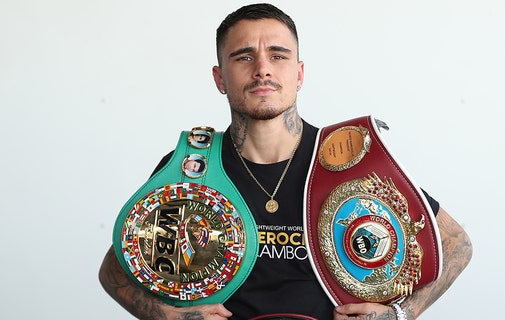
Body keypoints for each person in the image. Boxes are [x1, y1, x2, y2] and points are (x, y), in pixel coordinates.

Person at [98, 3, 472, 319]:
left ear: (299, 72)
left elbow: (457, 245)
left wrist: (397, 314)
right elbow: (115, 269)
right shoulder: (192, 168)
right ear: (220, 78)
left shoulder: (350, 157)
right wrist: (167, 315)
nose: (262, 68)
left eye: (278, 55)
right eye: (244, 56)